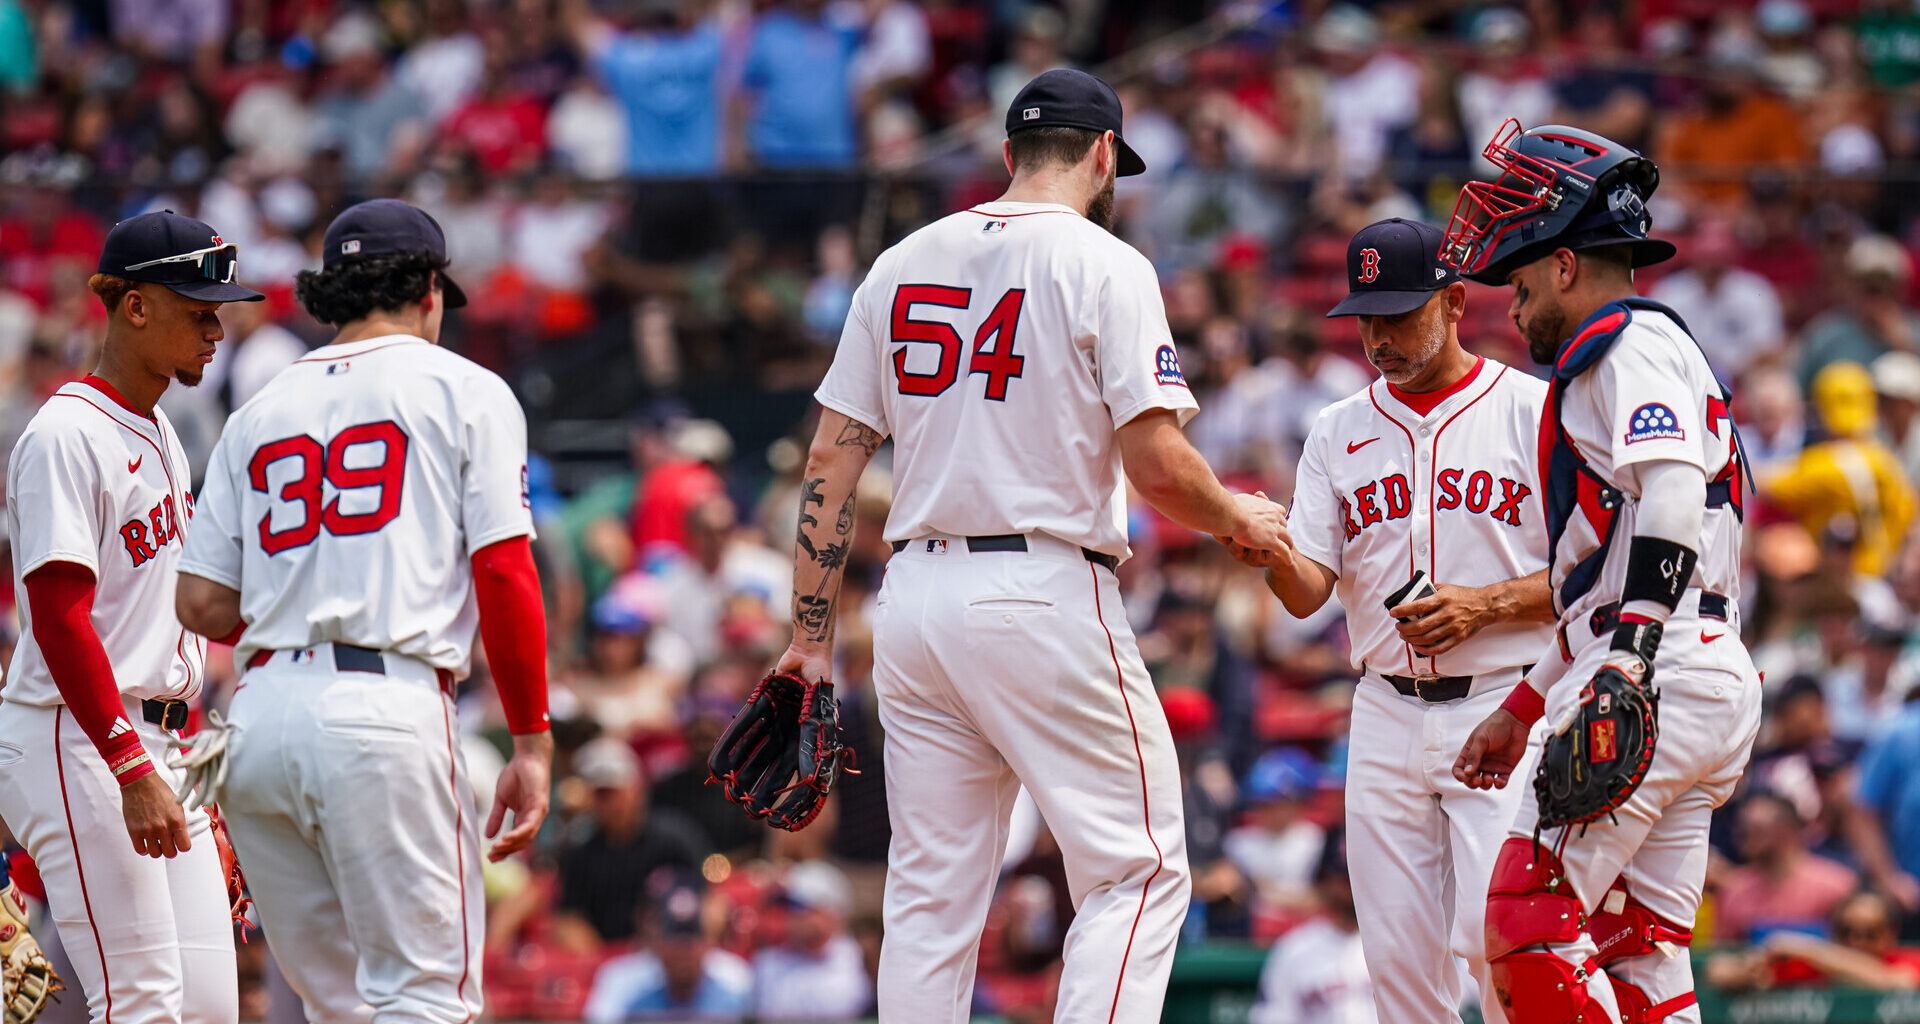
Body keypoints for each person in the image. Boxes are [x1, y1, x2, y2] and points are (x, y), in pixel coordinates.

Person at [772, 68, 1288, 1024]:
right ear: (1103, 158)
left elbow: (829, 466)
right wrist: (1239, 518)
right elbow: (1160, 465)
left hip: (914, 604)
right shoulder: (1106, 263)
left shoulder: (900, 261)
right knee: (1139, 866)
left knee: (929, 897)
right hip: (1039, 587)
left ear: (1007, 156)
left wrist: (807, 641)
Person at [173, 199, 554, 1024]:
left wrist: (293, 615)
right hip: (383, 707)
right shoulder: (465, 389)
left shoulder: (259, 409)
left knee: (337, 1008)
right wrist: (531, 739)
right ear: (427, 289)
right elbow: (504, 570)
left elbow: (198, 601)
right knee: (422, 1000)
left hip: (257, 721)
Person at [1446, 121, 1763, 1024]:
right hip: (1691, 659)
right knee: (1637, 954)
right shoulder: (1645, 350)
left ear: (1564, 267)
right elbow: (1617, 571)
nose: (1512, 305)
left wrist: (1627, 658)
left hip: (1657, 666)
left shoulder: (1621, 343)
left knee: (1525, 912)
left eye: (1519, 280)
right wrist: (1524, 704)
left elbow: (1670, 493)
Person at [1226, 217, 1552, 1024]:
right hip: (1383, 709)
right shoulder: (1337, 430)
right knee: (1398, 958)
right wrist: (1264, 548)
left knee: (1498, 935)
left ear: (1451, 302)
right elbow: (1308, 593)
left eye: (1398, 314)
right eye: (1366, 317)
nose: (1378, 336)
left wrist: (1486, 603)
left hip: (1506, 701)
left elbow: (1598, 572)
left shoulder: (1532, 411)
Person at [0, 210, 260, 1024]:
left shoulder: (163, 433)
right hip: (79, 733)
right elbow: (57, 617)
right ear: (135, 306)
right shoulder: (65, 434)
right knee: (142, 1004)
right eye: (197, 309)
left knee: (212, 1009)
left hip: (159, 738)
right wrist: (130, 765)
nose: (215, 329)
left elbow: (169, 609)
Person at [582, 873, 752, 1022]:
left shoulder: (736, 982)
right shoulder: (624, 983)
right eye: (675, 940)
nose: (684, 952)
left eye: (691, 940)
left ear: (708, 942)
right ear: (658, 944)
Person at [1248, 830, 1377, 1024]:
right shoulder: (1293, 950)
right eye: (1343, 877)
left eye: (1358, 875)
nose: (1351, 886)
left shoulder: (1397, 946)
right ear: (1323, 881)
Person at [749, 861, 871, 1020]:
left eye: (799, 906)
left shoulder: (861, 961)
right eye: (787, 907)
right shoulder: (768, 962)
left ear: (831, 912)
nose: (791, 916)